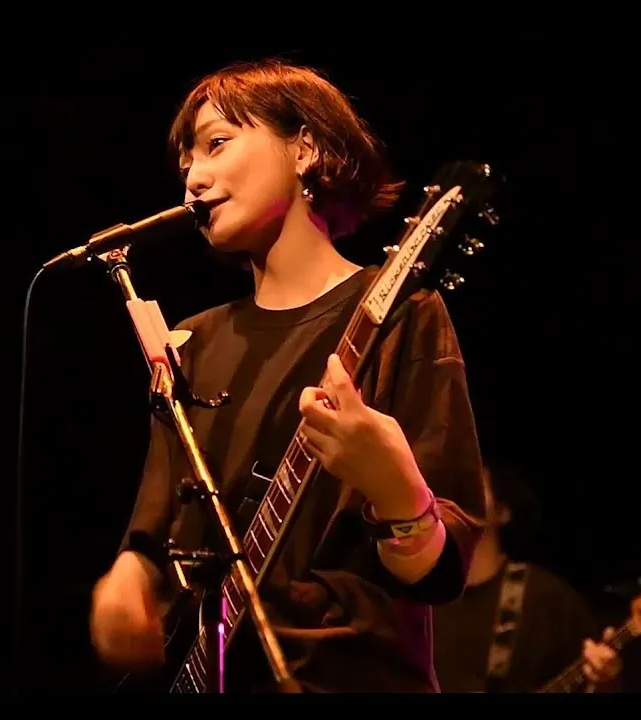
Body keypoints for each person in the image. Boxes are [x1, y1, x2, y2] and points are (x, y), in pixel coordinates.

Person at [87, 58, 489, 693]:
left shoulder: (402, 313)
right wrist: (128, 583)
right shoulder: (193, 343)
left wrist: (395, 488)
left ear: (305, 149)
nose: (194, 177)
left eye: (217, 143)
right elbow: (157, 532)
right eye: (187, 162)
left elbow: (442, 572)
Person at [432, 463, 622, 692]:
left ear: (502, 511)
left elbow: (596, 684)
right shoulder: (411, 605)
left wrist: (604, 679)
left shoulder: (550, 601)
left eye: (471, 484)